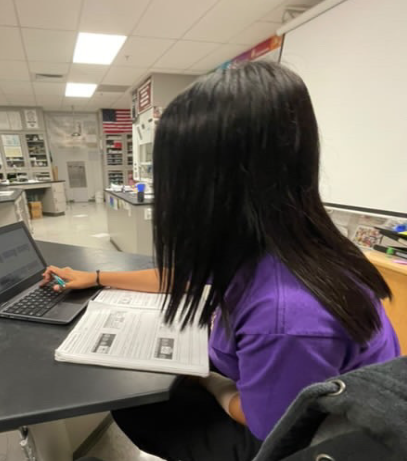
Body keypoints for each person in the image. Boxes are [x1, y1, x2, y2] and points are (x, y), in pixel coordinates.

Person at [41, 62, 400, 461]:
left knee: (136, 406)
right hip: (280, 382)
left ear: (210, 188)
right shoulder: (279, 242)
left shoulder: (288, 315)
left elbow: (270, 425)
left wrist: (210, 383)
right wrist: (95, 276)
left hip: (282, 439)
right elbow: (183, 278)